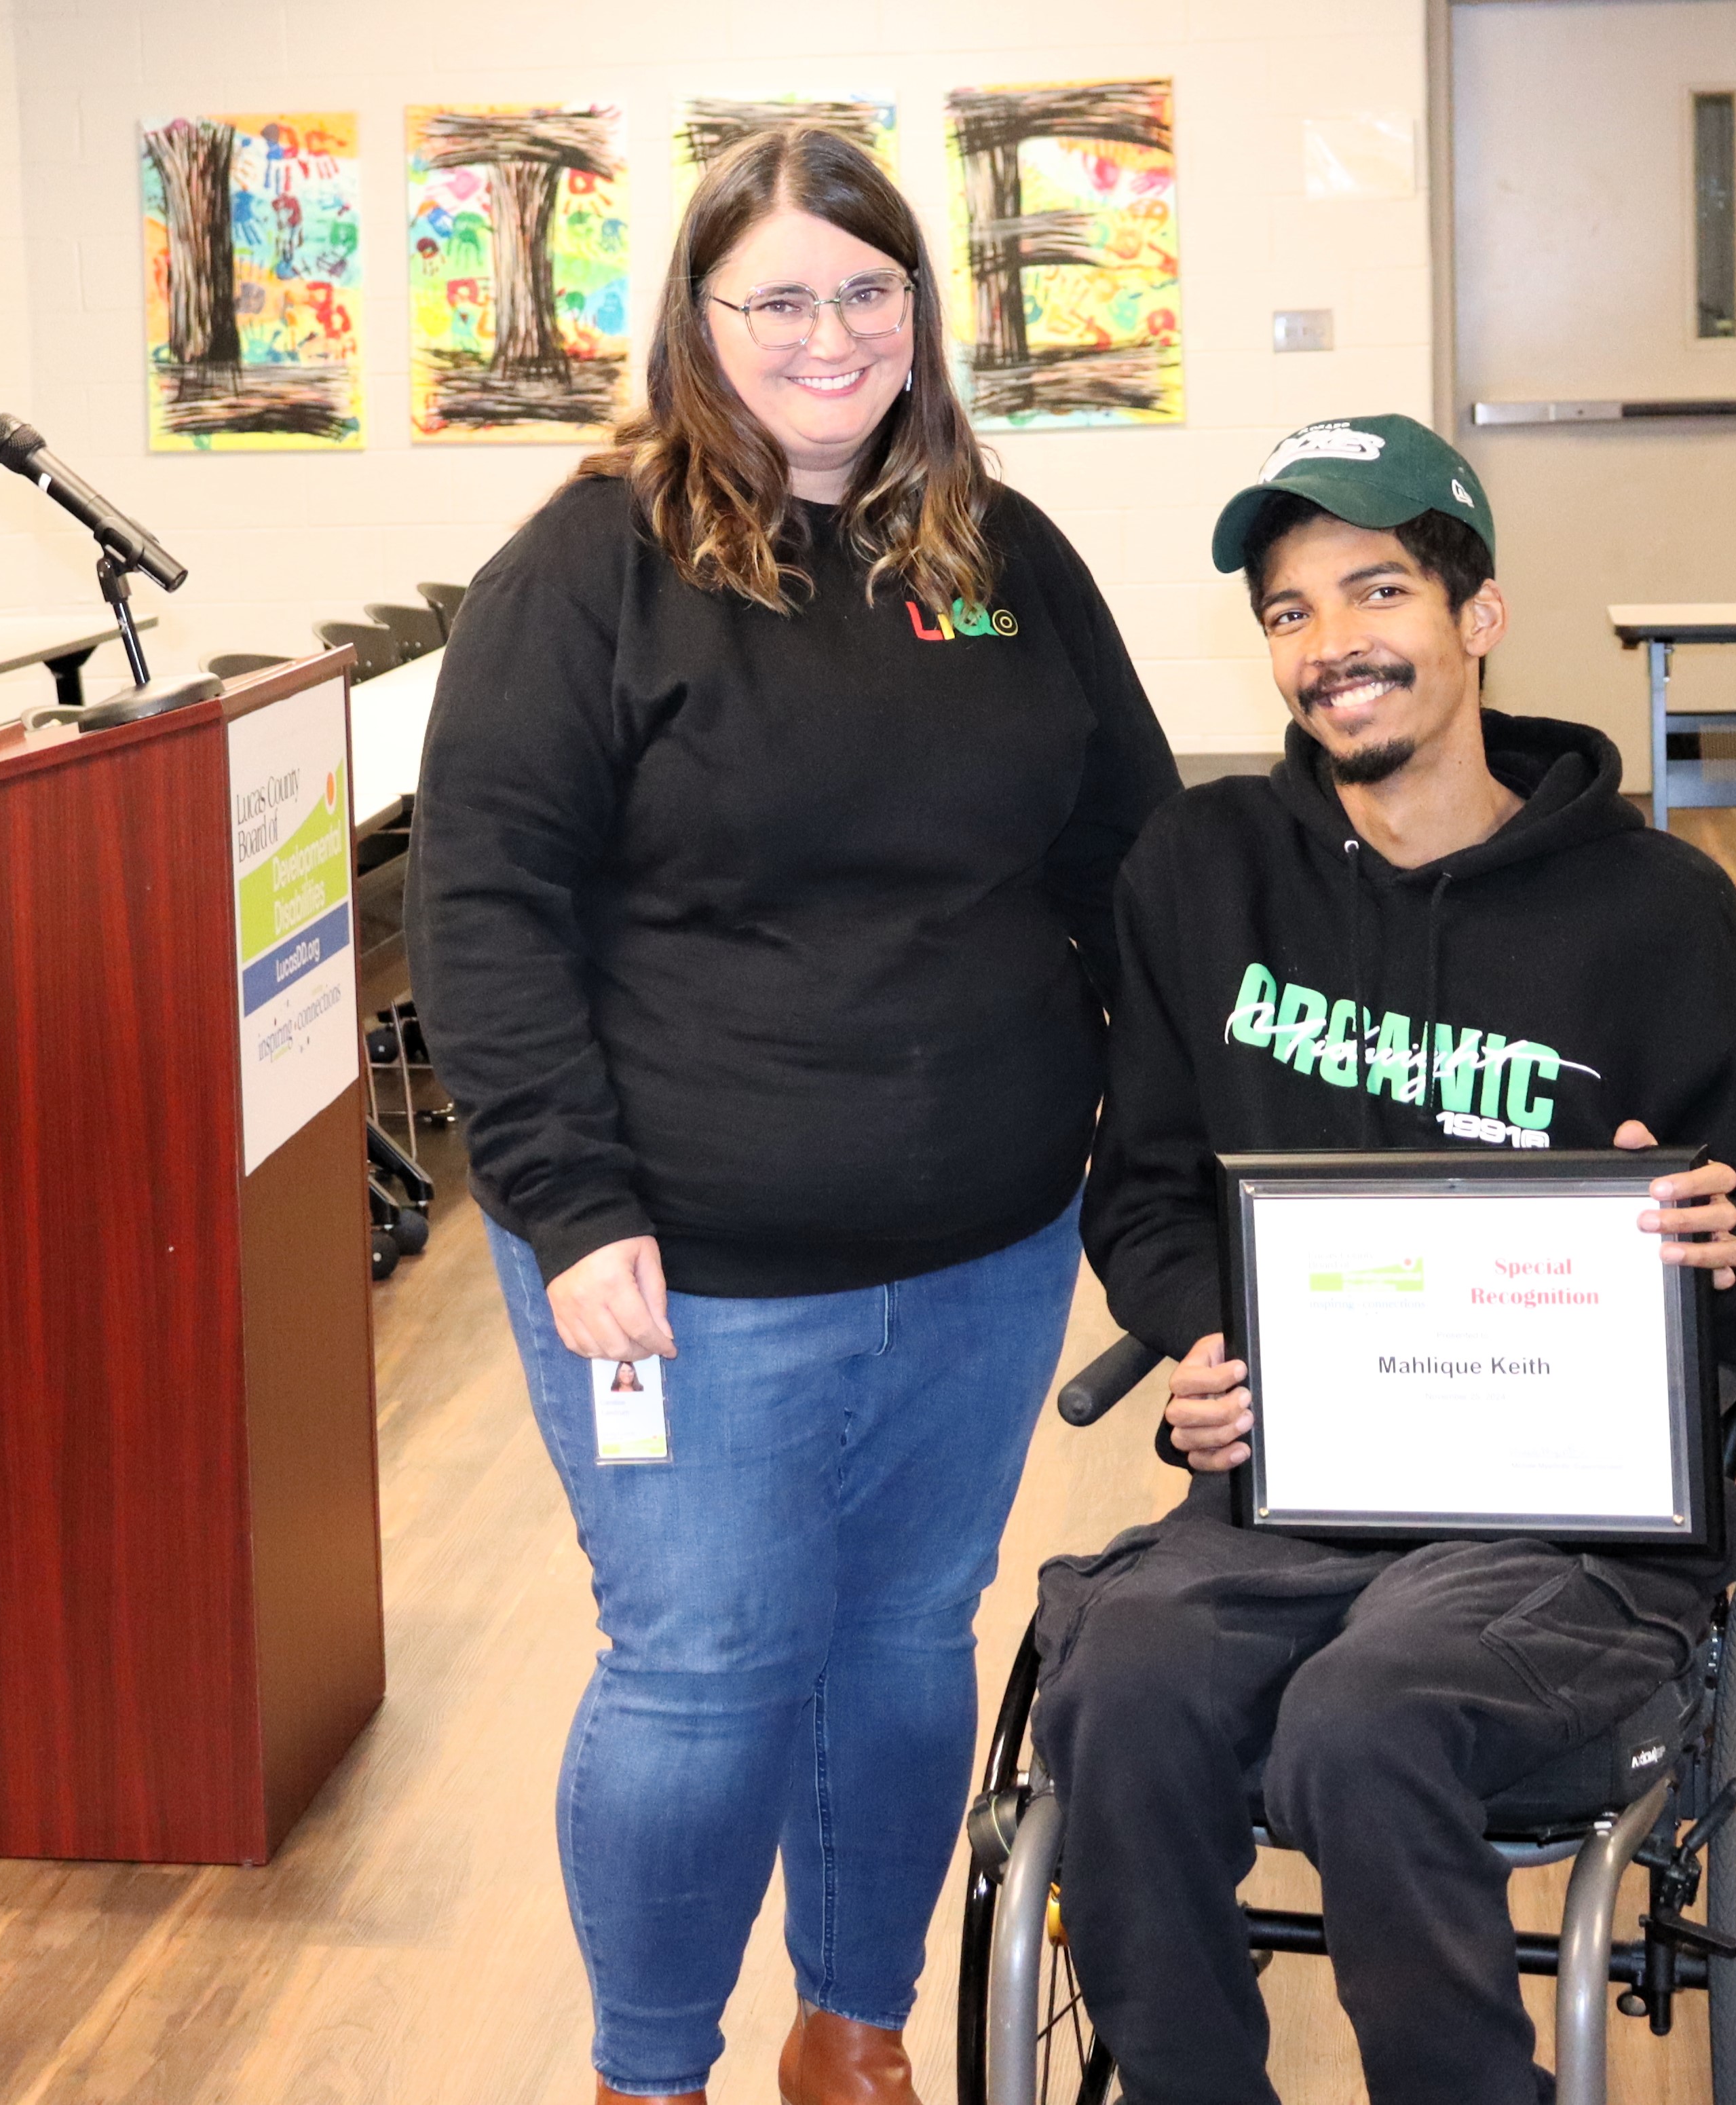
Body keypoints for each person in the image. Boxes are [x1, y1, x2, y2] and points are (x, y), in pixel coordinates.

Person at [407, 128, 1178, 2105]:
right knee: (707, 1664)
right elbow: (480, 906)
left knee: (908, 1634)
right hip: (688, 1262)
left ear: (920, 311)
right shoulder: (586, 569)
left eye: (865, 289)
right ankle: (648, 2071)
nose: (827, 334)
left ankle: (855, 2029)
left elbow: (1136, 861)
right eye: (778, 297)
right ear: (699, 323)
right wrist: (570, 1209)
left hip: (988, 1240)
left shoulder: (1001, 551)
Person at [1031, 415, 1736, 2105]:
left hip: (1564, 1531)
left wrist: (1725, 1245)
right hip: (1294, 1491)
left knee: (1370, 1721)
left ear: (1477, 616)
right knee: (1120, 1692)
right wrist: (1209, 1344)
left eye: (1374, 592)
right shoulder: (1199, 877)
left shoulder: (1652, 912)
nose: (1330, 644)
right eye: (1287, 612)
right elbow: (1139, 1194)